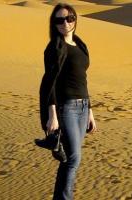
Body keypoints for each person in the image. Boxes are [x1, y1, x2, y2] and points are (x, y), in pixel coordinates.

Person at [39, 3, 96, 200]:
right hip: (66, 108)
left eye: (69, 18)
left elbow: (82, 80)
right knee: (73, 159)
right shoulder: (55, 48)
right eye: (59, 20)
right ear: (53, 24)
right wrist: (52, 115)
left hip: (82, 108)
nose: (65, 23)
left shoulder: (80, 45)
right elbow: (50, 82)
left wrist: (89, 110)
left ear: (75, 20)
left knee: (70, 159)